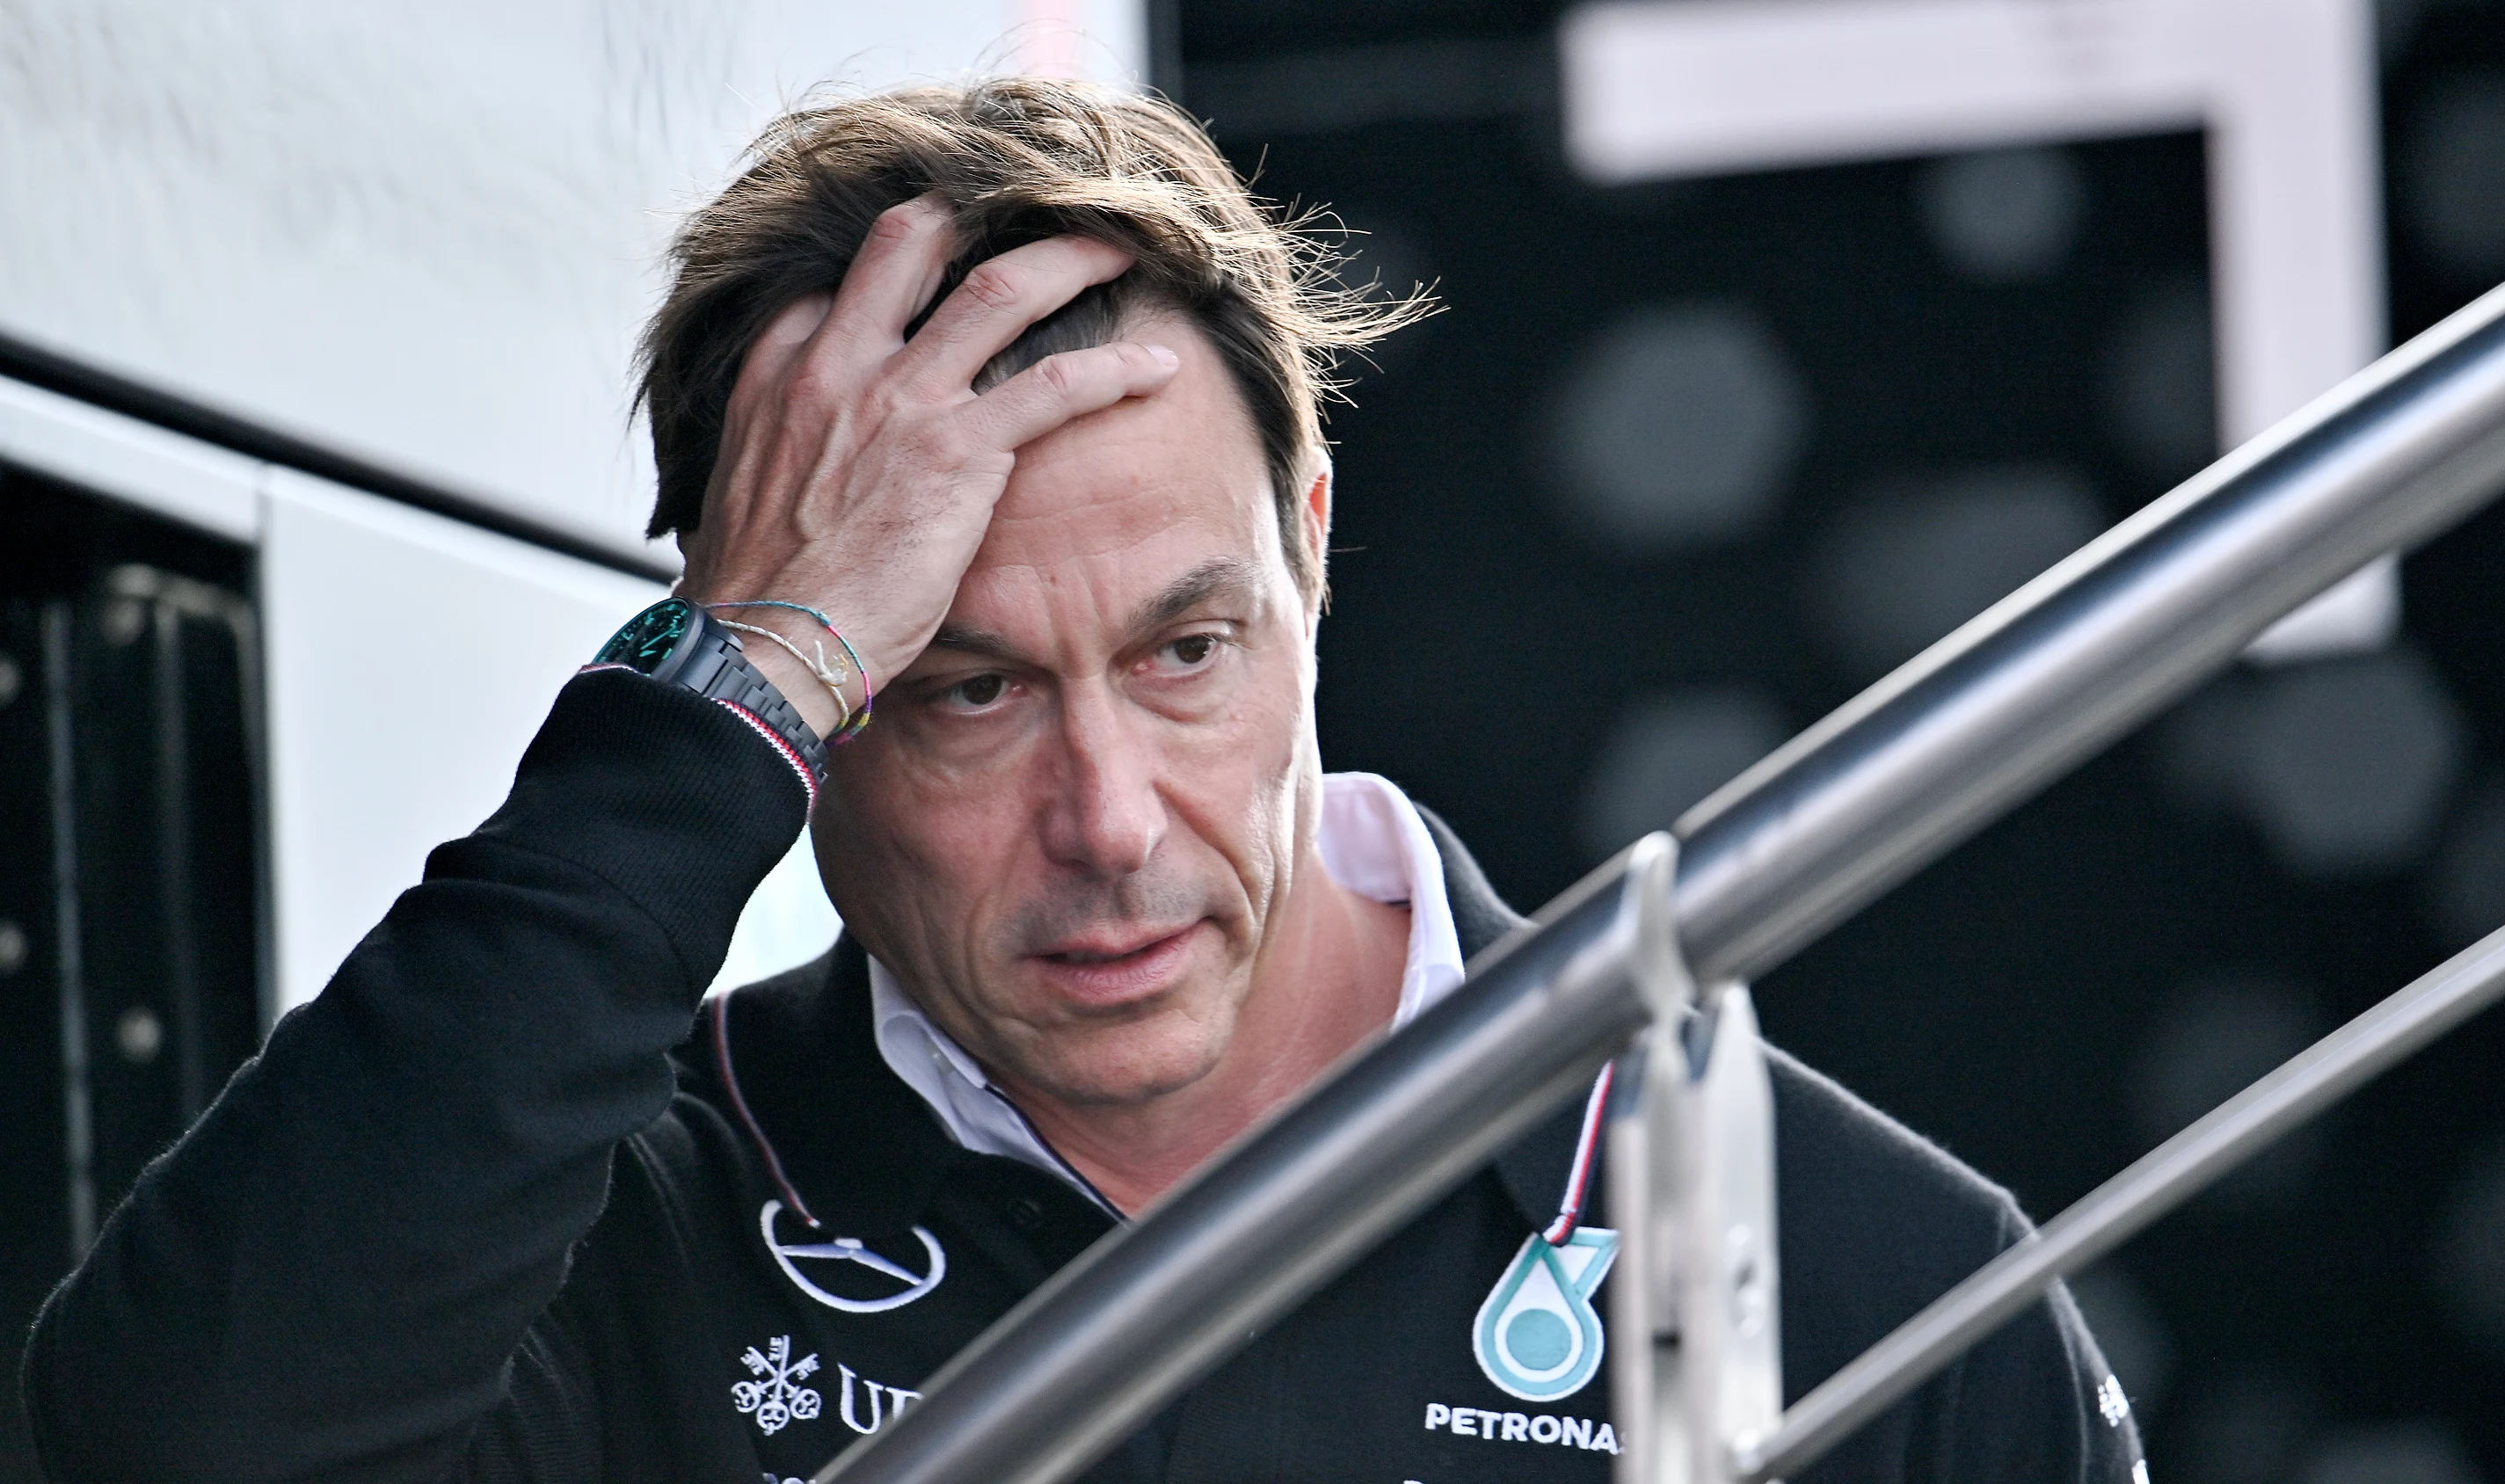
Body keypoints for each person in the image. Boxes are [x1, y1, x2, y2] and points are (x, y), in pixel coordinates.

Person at [22, 79, 2144, 1484]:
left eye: (1187, 648)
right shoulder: (626, 1227)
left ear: (1317, 542)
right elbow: (164, 1446)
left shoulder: (1870, 1280)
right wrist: (721, 682)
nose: (1112, 816)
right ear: (798, 706)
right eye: (960, 693)